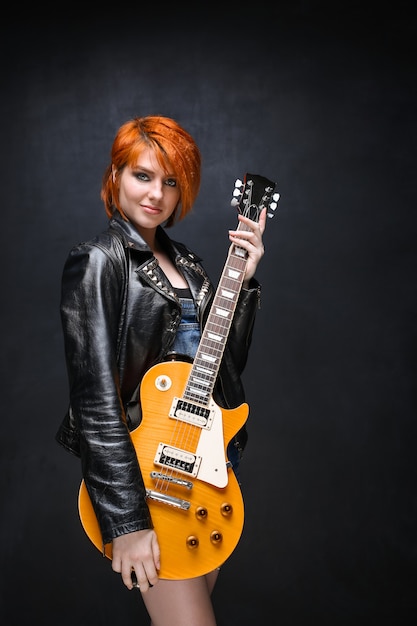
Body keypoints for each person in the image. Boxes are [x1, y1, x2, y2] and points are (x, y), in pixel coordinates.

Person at [56, 115, 267, 626]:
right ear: (116, 177)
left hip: (203, 473)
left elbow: (223, 371)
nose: (157, 194)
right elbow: (94, 397)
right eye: (142, 175)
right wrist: (125, 521)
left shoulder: (189, 264)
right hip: (147, 477)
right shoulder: (99, 261)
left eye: (170, 181)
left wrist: (244, 283)